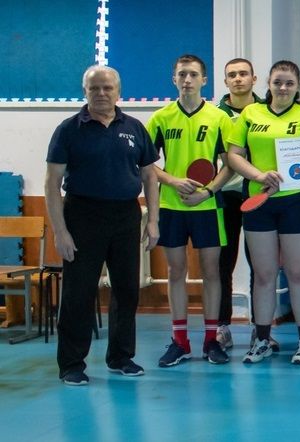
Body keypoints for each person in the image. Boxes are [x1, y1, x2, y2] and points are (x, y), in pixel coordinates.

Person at [48, 65, 160, 385]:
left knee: (127, 290)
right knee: (78, 293)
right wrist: (60, 231)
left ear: (118, 92)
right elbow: (52, 182)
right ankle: (72, 364)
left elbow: (149, 175)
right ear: (84, 91)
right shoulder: (68, 130)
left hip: (126, 216)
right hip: (82, 216)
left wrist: (153, 220)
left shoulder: (134, 128)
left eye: (107, 88)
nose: (101, 93)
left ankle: (121, 357)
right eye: (94, 88)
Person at [226, 60, 300, 365]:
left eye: (289, 83)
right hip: (259, 203)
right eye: (277, 82)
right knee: (264, 275)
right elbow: (234, 155)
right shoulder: (250, 114)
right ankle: (262, 340)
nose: (283, 88)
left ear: (298, 87)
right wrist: (259, 175)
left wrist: (288, 176)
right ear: (268, 84)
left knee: (297, 273)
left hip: (296, 202)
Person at [147, 54, 234, 367]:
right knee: (176, 272)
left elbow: (230, 165)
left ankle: (211, 340)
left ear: (204, 80)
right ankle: (180, 342)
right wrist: (172, 180)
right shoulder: (160, 118)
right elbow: (146, 164)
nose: (187, 80)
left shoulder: (219, 118)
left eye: (193, 74)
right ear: (174, 79)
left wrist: (207, 192)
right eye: (182, 74)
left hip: (207, 207)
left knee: (212, 272)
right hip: (171, 206)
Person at [214, 57, 272, 352]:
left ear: (254, 79)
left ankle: (259, 330)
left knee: (260, 266)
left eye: (243, 74)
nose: (238, 79)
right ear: (225, 81)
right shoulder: (215, 115)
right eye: (232, 75)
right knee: (222, 264)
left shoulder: (265, 110)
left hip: (257, 195)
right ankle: (222, 328)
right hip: (224, 196)